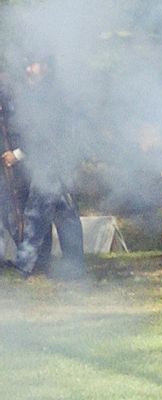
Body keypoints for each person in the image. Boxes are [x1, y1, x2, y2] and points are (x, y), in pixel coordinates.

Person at [1, 49, 85, 278]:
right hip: (54, 161)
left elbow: (45, 133)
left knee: (37, 212)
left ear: (46, 67)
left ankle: (25, 265)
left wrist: (17, 154)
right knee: (63, 213)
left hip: (52, 162)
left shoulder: (50, 96)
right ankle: (72, 267)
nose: (28, 70)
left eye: (33, 65)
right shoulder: (41, 93)